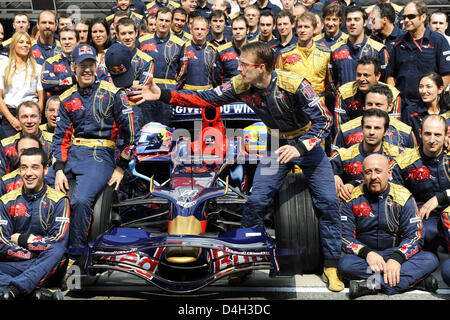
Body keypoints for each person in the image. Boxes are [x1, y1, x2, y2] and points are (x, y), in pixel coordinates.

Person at [131, 41, 345, 292]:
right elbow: (204, 99)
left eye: (244, 65)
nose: (239, 68)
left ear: (261, 67)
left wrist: (300, 147)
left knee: (328, 203)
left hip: (306, 147)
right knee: (256, 202)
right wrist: (164, 95)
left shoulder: (296, 84)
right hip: (275, 144)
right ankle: (244, 263)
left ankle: (331, 265)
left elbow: (325, 120)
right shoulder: (240, 84)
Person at [51, 44, 138, 254]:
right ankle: (45, 249)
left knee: (80, 200)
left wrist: (121, 168)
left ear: (97, 65)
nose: (87, 70)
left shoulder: (114, 93)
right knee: (43, 193)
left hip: (100, 157)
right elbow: (60, 138)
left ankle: (76, 254)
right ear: (73, 67)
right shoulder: (66, 98)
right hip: (72, 156)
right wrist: (59, 169)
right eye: (82, 65)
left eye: (90, 64)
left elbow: (132, 135)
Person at [338, 153, 439, 298]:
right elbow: (344, 236)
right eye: (368, 172)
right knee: (345, 265)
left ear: (389, 173)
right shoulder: (351, 197)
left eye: (378, 171)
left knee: (430, 260)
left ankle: (371, 286)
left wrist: (397, 258)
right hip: (365, 258)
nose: (373, 176)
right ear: (362, 175)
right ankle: (412, 281)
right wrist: (367, 253)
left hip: (396, 254)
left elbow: (415, 236)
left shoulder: (404, 196)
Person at [0, 147, 70, 300]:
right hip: (22, 263)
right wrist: (31, 255)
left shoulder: (59, 200)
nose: (29, 173)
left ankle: (13, 289)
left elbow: (58, 242)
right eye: (24, 168)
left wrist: (22, 240)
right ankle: (37, 294)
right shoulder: (6, 201)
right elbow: (2, 243)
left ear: (45, 169)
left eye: (34, 167)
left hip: (49, 264)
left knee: (58, 251)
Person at [391, 114, 450, 252]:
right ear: (419, 133)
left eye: (437, 135)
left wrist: (440, 197)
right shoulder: (403, 162)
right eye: (427, 134)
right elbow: (394, 195)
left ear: (446, 135)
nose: (432, 140)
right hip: (425, 215)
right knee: (426, 233)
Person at [276, 11, 336, 132]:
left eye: (306, 27)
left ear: (314, 29)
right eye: (300, 27)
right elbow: (278, 83)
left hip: (319, 107)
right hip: (294, 108)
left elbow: (331, 84)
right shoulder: (284, 53)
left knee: (318, 144)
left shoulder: (326, 53)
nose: (302, 30)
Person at [386, 1, 450, 111]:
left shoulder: (438, 40)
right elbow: (390, 74)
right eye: (404, 17)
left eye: (411, 16)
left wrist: (434, 98)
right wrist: (394, 97)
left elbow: (446, 74)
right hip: (403, 106)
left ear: (423, 17)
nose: (406, 20)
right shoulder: (398, 41)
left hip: (428, 105)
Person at [331, 108, 402, 201]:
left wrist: (354, 184)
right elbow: (323, 168)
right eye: (368, 127)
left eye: (377, 128)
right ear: (362, 129)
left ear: (385, 131)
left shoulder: (399, 155)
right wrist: (334, 175)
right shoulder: (344, 155)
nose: (371, 132)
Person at [334, 83, 416, 150]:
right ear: (364, 106)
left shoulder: (405, 133)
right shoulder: (346, 130)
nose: (373, 108)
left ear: (390, 106)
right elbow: (335, 164)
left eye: (378, 105)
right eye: (369, 104)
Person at [139, 7, 185, 125]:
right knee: (146, 127)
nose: (163, 23)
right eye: (161, 20)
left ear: (171, 23)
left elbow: (183, 72)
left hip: (168, 92)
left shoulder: (180, 44)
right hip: (146, 91)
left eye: (167, 21)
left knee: (166, 129)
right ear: (156, 20)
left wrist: (174, 88)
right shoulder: (142, 41)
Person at [334, 55, 401, 133]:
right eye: (359, 75)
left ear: (378, 76)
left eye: (366, 75)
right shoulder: (344, 92)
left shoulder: (393, 94)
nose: (361, 79)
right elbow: (340, 129)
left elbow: (394, 128)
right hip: (353, 138)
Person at [0, 32, 45, 138]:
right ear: (13, 45)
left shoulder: (37, 68)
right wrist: (12, 120)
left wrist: (34, 118)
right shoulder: (3, 67)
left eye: (28, 43)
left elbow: (41, 99)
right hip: (10, 115)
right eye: (21, 42)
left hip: (31, 113)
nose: (25, 45)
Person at [330, 6, 388, 87]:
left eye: (356, 19)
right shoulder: (335, 49)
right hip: (345, 99)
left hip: (370, 98)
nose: (352, 23)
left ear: (365, 22)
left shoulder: (378, 49)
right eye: (349, 20)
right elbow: (332, 81)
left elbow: (384, 81)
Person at [114, 18, 154, 126]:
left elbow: (141, 90)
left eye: (130, 33)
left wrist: (116, 83)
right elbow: (103, 84)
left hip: (136, 110)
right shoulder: (107, 56)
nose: (127, 37)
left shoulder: (146, 60)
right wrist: (132, 83)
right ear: (117, 35)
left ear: (136, 33)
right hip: (111, 109)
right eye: (123, 33)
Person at [0, 101, 53, 177]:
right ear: (18, 119)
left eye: (33, 116)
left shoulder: (53, 142)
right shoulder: (6, 145)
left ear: (40, 119)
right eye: (24, 117)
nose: (29, 121)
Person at [177, 16, 221, 91]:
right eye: (196, 29)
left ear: (207, 31)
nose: (199, 32)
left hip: (207, 93)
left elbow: (217, 76)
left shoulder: (214, 50)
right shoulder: (183, 48)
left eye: (202, 29)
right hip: (187, 92)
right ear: (191, 30)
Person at [402, 72, 449, 140]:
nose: (423, 91)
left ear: (440, 89)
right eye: (421, 87)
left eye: (428, 87)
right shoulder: (410, 112)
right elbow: (405, 139)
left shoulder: (447, 113)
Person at [41, 27, 79, 96]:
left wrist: (56, 79)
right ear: (60, 42)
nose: (67, 42)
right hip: (57, 103)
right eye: (64, 39)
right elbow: (45, 82)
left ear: (77, 42)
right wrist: (72, 79)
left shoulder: (84, 61)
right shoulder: (50, 62)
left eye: (70, 39)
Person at [216, 16, 250, 82]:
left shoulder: (255, 50)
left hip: (250, 91)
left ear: (247, 30)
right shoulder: (221, 51)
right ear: (231, 30)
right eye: (235, 29)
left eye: (241, 29)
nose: (238, 32)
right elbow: (217, 77)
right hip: (228, 90)